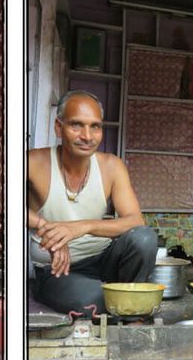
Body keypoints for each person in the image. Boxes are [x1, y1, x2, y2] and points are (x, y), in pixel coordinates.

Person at [26, 90, 157, 315]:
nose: (87, 136)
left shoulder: (111, 166)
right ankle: (129, 305)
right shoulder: (34, 162)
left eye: (95, 126)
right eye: (76, 125)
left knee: (144, 238)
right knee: (98, 298)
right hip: (57, 269)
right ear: (59, 127)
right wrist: (46, 228)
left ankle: (127, 301)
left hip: (104, 260)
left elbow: (135, 220)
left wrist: (81, 227)